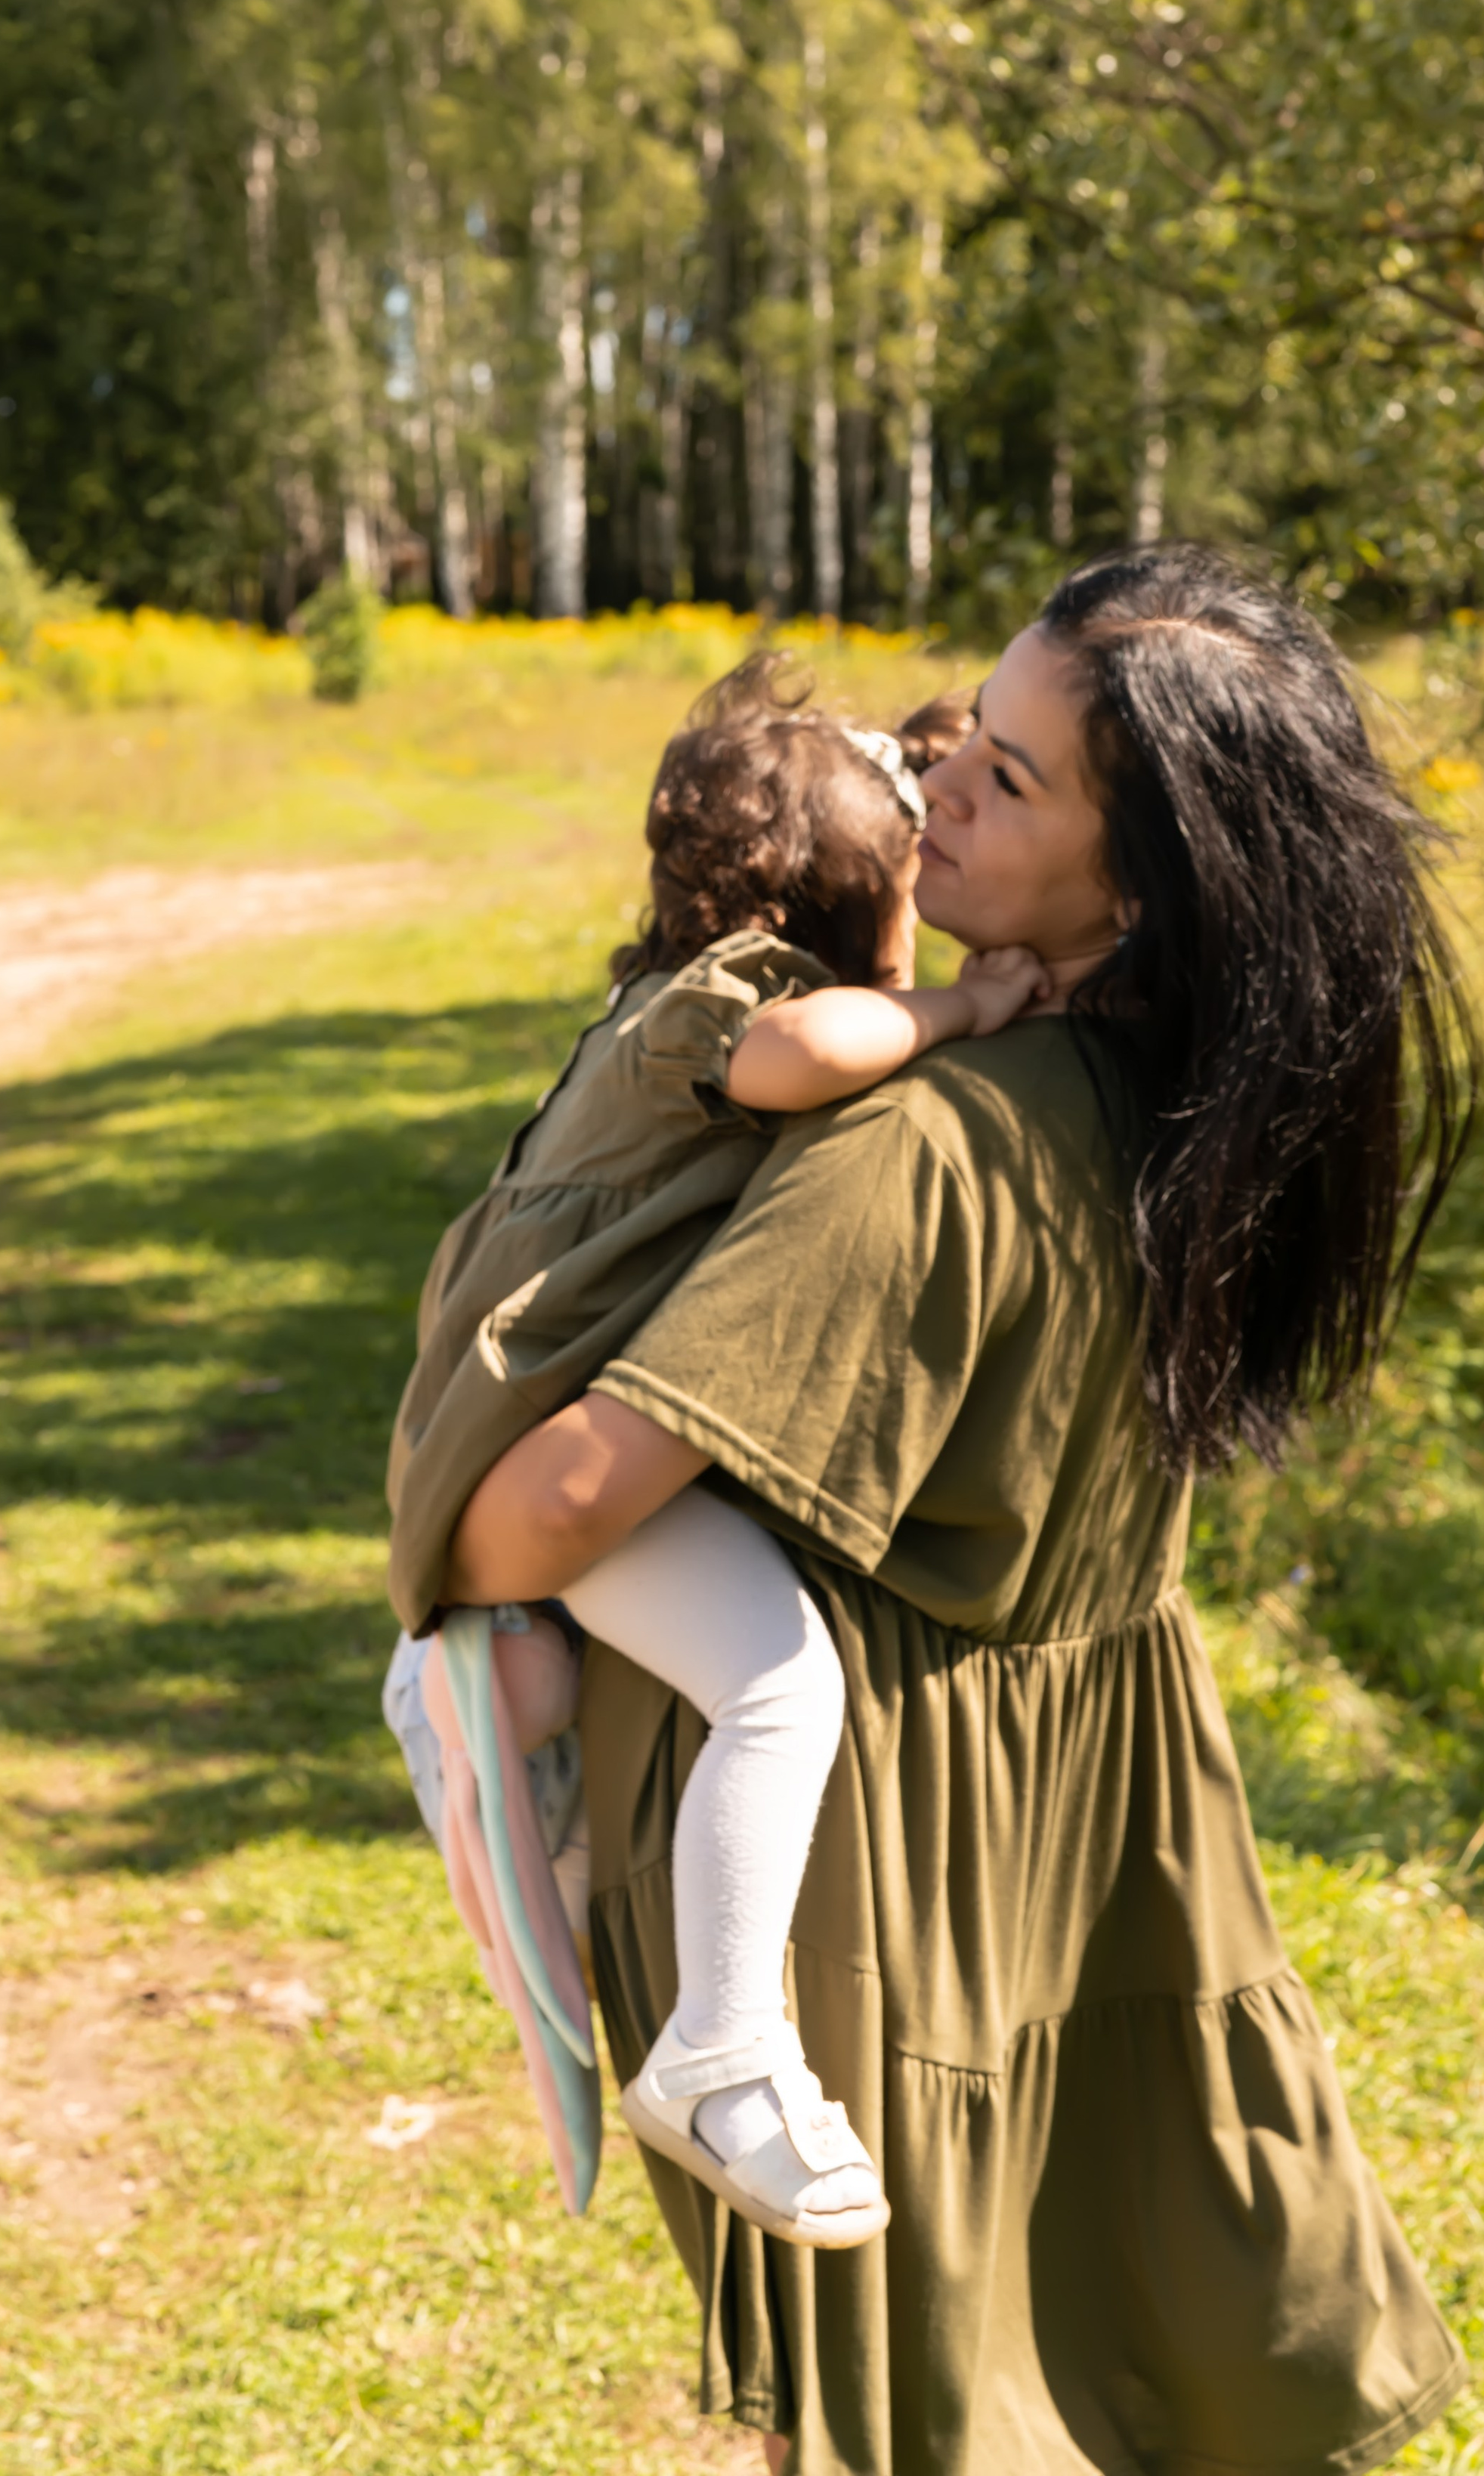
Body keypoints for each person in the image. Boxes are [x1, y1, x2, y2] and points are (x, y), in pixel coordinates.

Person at [436, 549, 1478, 2476]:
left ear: (1144, 877)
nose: (939, 795)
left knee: (909, 2403)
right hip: (1095, 1834)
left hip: (864, 1871)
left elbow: (534, 1522)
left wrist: (452, 1513)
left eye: (1009, 777)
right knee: (1107, 2335)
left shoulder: (916, 1146)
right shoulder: (1196, 1103)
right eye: (959, 744)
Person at [385, 655, 1047, 2246]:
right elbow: (795, 1061)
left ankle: (479, 1692)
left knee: (579, 1737)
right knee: (777, 1681)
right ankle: (719, 2042)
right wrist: (961, 1004)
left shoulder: (650, 1004)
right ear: (830, 909)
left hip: (522, 1421)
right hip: (552, 1433)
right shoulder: (733, 999)